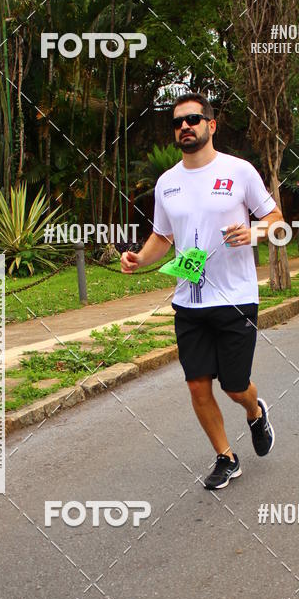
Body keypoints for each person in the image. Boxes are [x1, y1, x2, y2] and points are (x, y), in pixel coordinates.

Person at [120, 92, 281, 490]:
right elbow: (162, 235)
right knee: (196, 383)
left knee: (234, 386)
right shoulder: (167, 182)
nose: (185, 126)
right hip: (189, 301)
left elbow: (277, 222)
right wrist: (140, 258)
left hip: (236, 297)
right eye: (178, 122)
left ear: (211, 125)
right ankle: (226, 457)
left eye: (193, 119)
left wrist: (254, 230)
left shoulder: (239, 171)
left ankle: (255, 411)